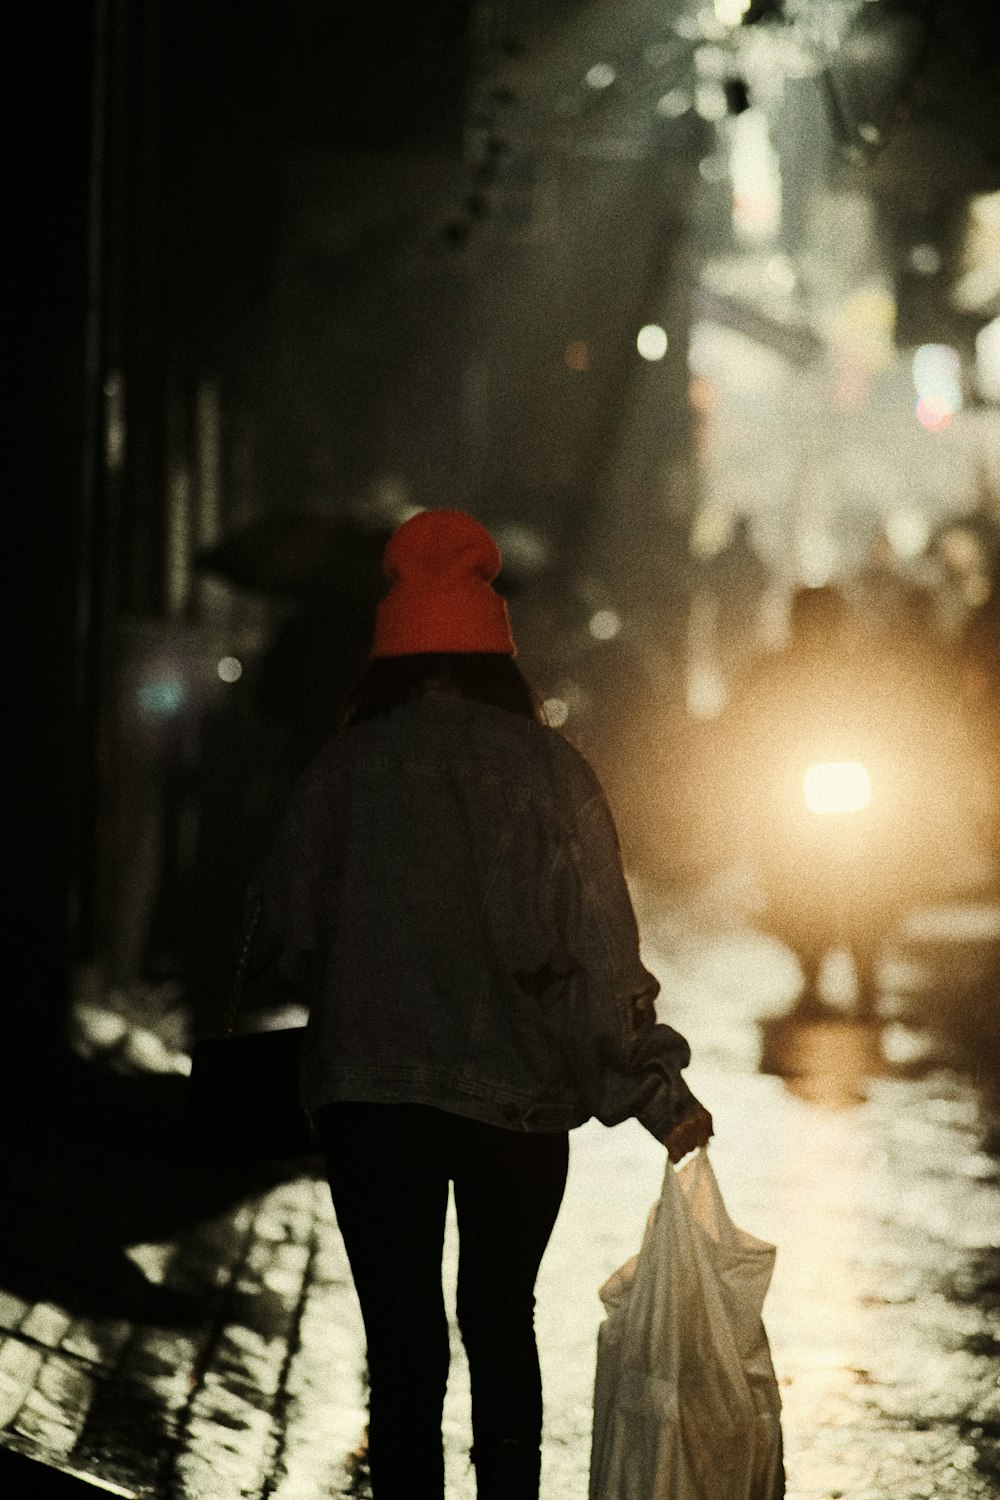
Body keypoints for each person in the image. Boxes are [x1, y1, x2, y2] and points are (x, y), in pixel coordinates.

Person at [244, 508, 713, 1500]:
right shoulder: (552, 772)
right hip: (519, 1107)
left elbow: (285, 939)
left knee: (402, 1343)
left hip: (368, 1102)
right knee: (500, 1320)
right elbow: (602, 956)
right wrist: (660, 1097)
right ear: (499, 659)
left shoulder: (340, 771)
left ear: (387, 659)